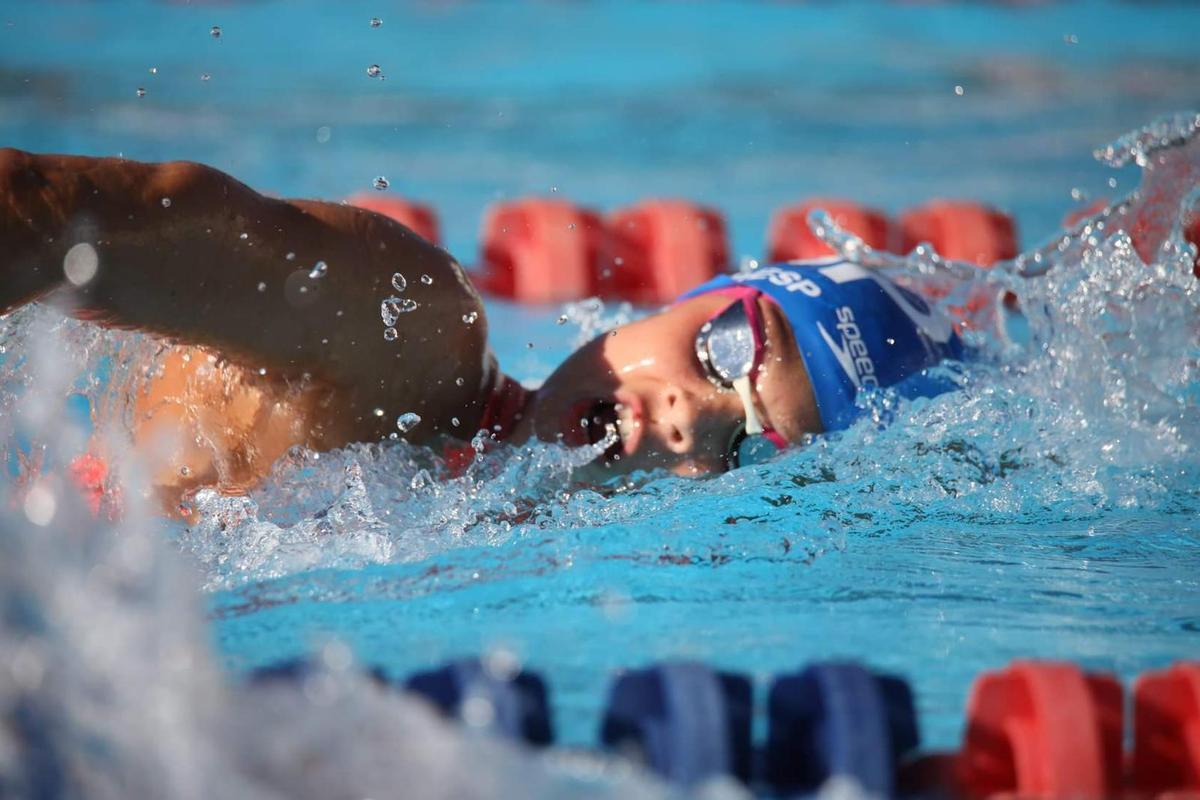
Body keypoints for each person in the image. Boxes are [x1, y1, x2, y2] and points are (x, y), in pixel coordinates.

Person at [0, 149, 962, 506]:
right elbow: (71, 221)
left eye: (750, 442)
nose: (690, 419)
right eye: (727, 350)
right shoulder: (408, 327)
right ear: (694, 294)